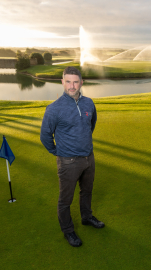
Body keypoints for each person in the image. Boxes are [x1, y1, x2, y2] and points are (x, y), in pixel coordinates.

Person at [40, 66, 104, 247]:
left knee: (87, 191)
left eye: (75, 81)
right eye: (68, 81)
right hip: (67, 161)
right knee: (65, 200)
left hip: (88, 158)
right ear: (62, 82)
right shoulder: (54, 109)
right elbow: (45, 136)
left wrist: (84, 145)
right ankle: (68, 231)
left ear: (81, 82)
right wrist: (58, 151)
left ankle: (86, 217)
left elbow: (91, 125)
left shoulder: (89, 103)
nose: (72, 86)